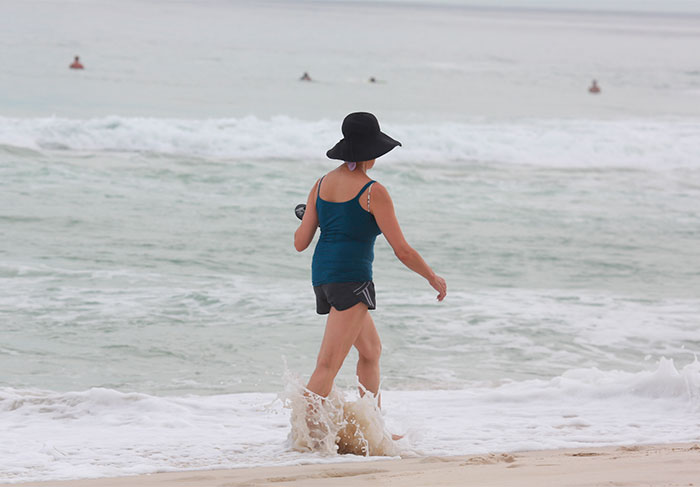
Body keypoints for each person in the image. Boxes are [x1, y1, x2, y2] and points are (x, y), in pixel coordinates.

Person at [294, 112, 447, 414]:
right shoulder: (372, 192)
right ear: (371, 152)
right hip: (352, 280)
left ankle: (373, 425)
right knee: (327, 365)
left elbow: (300, 242)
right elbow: (402, 250)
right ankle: (303, 436)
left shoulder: (320, 184)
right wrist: (432, 277)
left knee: (371, 351)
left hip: (323, 279)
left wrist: (312, 216)